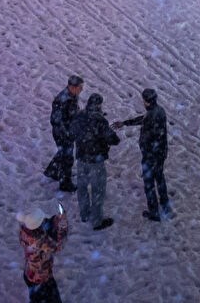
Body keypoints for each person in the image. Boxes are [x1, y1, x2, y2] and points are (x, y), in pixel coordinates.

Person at [117, 88, 172, 221]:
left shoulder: (150, 116)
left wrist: (144, 149)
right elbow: (144, 119)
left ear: (146, 101)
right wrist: (126, 123)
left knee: (149, 183)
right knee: (160, 179)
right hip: (160, 153)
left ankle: (154, 212)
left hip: (150, 156)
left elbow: (146, 128)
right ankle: (165, 205)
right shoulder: (160, 111)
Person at [71, 92, 120, 230]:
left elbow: (72, 131)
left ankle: (85, 213)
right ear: (99, 105)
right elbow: (112, 139)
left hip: (81, 158)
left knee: (82, 187)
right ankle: (97, 221)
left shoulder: (80, 116)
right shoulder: (99, 121)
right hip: (95, 160)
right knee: (98, 190)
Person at [17, 205, 70, 303]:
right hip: (42, 279)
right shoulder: (39, 241)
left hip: (30, 273)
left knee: (35, 298)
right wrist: (63, 225)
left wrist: (56, 219)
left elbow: (46, 224)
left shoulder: (25, 230)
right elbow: (58, 245)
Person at [44, 75, 82, 193]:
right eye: (79, 87)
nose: (81, 89)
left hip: (68, 131)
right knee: (67, 158)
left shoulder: (72, 96)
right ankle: (65, 183)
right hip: (62, 133)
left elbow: (74, 112)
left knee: (63, 153)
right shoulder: (63, 100)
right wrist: (66, 133)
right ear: (72, 87)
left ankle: (52, 171)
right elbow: (56, 120)